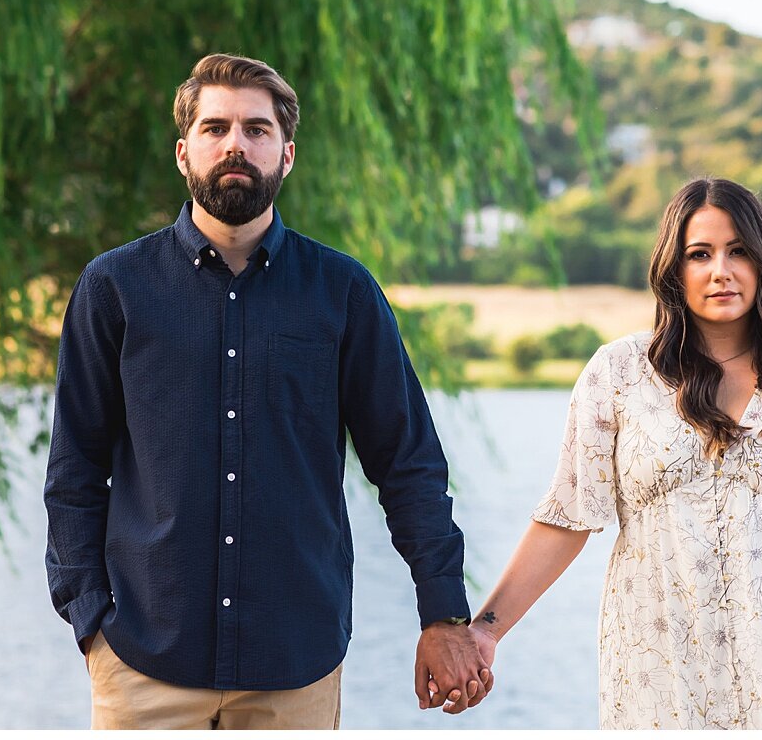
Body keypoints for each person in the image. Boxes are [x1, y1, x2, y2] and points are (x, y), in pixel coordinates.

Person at [44, 53, 491, 729]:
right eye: (215, 126)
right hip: (143, 663)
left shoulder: (343, 294)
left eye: (255, 130)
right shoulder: (115, 290)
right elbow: (76, 468)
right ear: (183, 151)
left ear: (285, 155)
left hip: (296, 665)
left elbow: (409, 467)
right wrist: (88, 619)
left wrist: (445, 614)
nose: (235, 143)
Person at [465, 177, 762, 729]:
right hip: (658, 667)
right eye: (699, 254)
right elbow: (566, 519)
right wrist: (485, 629)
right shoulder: (619, 375)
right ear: (674, 270)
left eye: (738, 251)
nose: (720, 270)